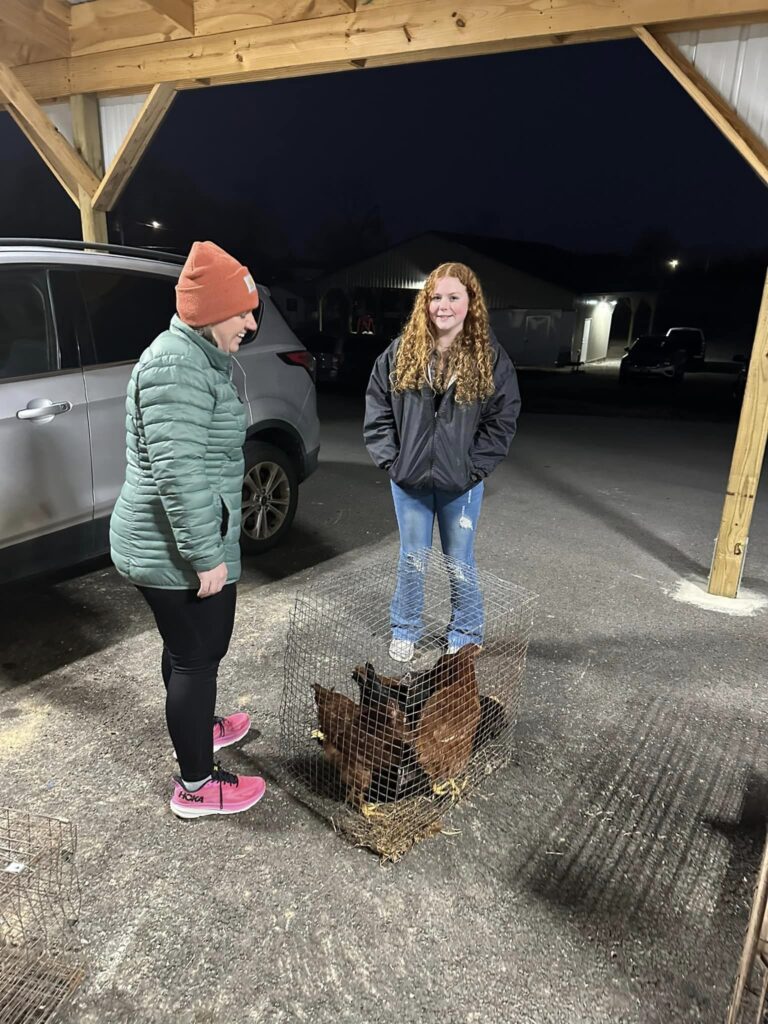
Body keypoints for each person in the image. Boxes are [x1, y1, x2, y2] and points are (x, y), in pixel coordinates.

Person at [110, 241, 266, 819]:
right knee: (198, 654)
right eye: (243, 311)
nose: (252, 322)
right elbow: (179, 473)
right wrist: (206, 557)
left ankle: (200, 724)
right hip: (175, 548)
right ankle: (197, 786)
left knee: (189, 652)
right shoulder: (176, 364)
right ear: (208, 312)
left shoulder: (198, 356)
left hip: (175, 539)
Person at [363, 262, 521, 663]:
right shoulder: (400, 353)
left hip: (461, 484)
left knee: (459, 561)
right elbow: (378, 409)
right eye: (436, 297)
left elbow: (502, 419)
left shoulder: (490, 358)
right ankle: (405, 629)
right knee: (413, 558)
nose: (443, 306)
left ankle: (466, 630)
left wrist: (474, 468)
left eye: (454, 297)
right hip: (409, 480)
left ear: (471, 303)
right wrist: (392, 461)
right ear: (425, 302)